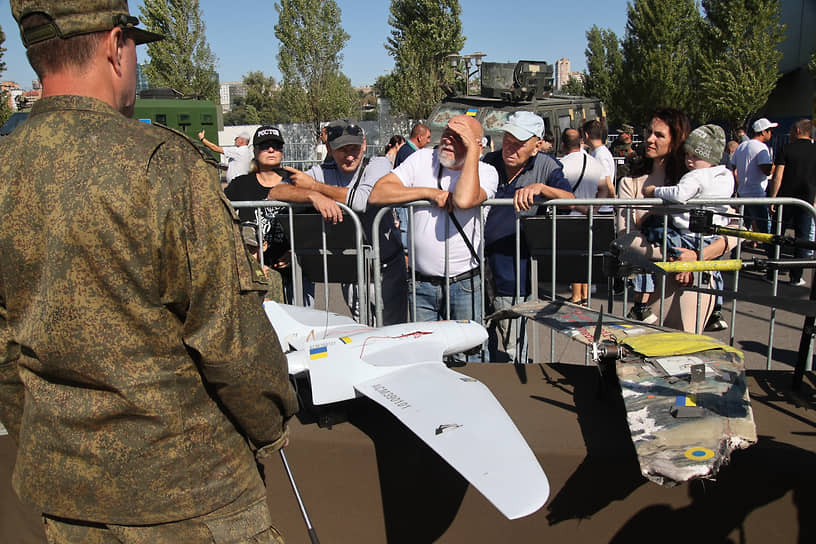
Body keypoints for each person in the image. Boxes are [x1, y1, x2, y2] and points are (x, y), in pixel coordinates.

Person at [0, 2, 298, 543]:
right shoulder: (163, 164)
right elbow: (231, 341)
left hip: (67, 498)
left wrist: (52, 443)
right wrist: (272, 424)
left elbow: (4, 350)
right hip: (191, 495)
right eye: (134, 45)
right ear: (116, 45)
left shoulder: (5, 165)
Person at [269, 119, 408, 325]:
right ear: (330, 149)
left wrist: (316, 186)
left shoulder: (379, 164)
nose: (350, 155)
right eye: (343, 149)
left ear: (364, 143)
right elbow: (276, 191)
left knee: (392, 331)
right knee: (363, 331)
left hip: (385, 267)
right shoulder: (322, 171)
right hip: (351, 270)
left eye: (355, 148)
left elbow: (361, 200)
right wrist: (313, 196)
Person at [370, 115, 499, 330]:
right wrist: (429, 193)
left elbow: (464, 200)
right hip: (422, 285)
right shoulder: (422, 159)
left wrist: (473, 154)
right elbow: (377, 194)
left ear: (476, 144)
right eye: (447, 134)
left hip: (464, 284)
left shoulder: (486, 172)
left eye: (459, 137)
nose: (448, 140)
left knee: (466, 355)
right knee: (425, 353)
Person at [615, 109, 736, 333]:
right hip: (652, 290)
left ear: (677, 139)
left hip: (695, 281)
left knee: (686, 354)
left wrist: (697, 257)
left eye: (659, 135)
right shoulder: (630, 183)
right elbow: (626, 239)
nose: (650, 139)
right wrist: (677, 258)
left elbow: (735, 230)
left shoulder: (699, 180)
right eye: (649, 132)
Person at [481, 112, 573, 363]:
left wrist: (542, 189)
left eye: (519, 142)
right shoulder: (488, 161)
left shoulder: (546, 166)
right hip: (475, 270)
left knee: (513, 349)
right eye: (507, 138)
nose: (510, 146)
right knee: (477, 346)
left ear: (536, 145)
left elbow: (572, 202)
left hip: (513, 275)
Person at [225, 125, 299, 301]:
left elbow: (313, 226)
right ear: (255, 151)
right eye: (265, 146)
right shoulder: (240, 184)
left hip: (293, 273)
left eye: (276, 145)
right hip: (251, 273)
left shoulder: (297, 181)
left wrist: (295, 253)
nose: (271, 149)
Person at [559, 127, 610, 305]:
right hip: (590, 216)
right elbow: (604, 188)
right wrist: (594, 209)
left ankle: (576, 295)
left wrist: (582, 208)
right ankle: (585, 295)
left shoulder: (562, 164)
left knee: (574, 257)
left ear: (563, 144)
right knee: (586, 255)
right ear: (581, 141)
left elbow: (561, 195)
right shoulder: (594, 163)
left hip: (570, 216)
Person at [768, 118, 816, 287]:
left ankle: (771, 271)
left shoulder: (786, 149)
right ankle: (796, 276)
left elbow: (778, 176)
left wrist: (773, 198)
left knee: (777, 235)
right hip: (807, 200)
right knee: (802, 238)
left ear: (797, 131)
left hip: (785, 198)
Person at [732, 118, 777, 242]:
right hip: (756, 194)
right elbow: (765, 170)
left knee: (742, 229)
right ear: (763, 132)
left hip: (743, 193)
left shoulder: (742, 146)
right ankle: (771, 255)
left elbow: (734, 167)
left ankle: (736, 253)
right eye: (770, 131)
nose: (771, 133)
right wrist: (775, 167)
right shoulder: (761, 147)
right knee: (765, 231)